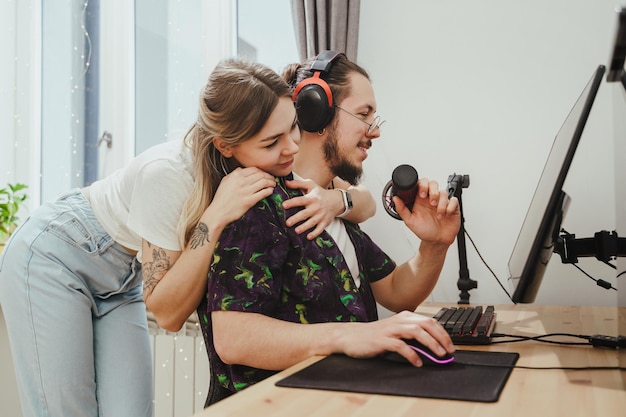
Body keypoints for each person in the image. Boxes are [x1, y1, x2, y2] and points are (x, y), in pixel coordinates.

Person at [0, 58, 376, 417]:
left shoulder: (270, 158)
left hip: (123, 275)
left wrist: (334, 200)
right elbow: (168, 312)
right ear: (225, 146)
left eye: (293, 127)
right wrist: (214, 218)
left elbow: (366, 203)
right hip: (57, 255)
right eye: (272, 141)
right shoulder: (168, 175)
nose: (292, 147)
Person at [197, 51, 461, 403]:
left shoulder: (333, 205)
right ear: (315, 111)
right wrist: (351, 337)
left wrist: (435, 245)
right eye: (364, 114)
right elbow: (234, 338)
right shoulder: (257, 203)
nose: (375, 130)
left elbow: (397, 291)